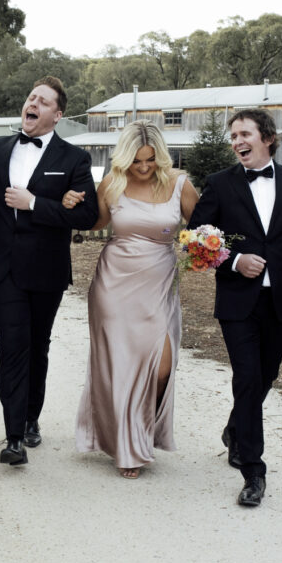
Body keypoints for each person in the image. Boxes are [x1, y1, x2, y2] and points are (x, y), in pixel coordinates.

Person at [188, 108, 282, 506]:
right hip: (238, 300)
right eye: (233, 135)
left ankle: (237, 427)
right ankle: (253, 472)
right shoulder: (219, 184)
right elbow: (195, 237)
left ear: (267, 138)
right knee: (248, 378)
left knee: (267, 373)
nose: (237, 141)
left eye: (244, 134)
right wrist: (236, 260)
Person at [0, 76, 98, 466]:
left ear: (57, 115)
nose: (33, 103)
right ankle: (13, 439)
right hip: (2, 266)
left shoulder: (74, 160)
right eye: (31, 97)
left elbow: (88, 216)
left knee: (37, 347)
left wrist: (34, 204)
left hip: (46, 270)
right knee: (12, 346)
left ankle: (30, 418)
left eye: (43, 101)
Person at [73, 121, 199, 478]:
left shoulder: (179, 184)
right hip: (114, 285)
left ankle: (139, 433)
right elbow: (96, 223)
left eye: (150, 160)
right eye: (136, 161)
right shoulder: (112, 183)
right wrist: (70, 202)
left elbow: (204, 226)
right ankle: (129, 447)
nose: (143, 168)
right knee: (120, 366)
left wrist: (206, 249)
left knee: (161, 367)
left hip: (159, 284)